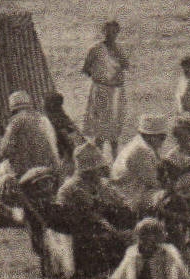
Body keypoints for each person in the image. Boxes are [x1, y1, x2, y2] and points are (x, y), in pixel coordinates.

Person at [53, 143, 135, 279]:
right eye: (95, 170)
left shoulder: (101, 185)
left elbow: (122, 202)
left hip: (103, 226)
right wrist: (116, 232)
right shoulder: (71, 189)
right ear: (86, 171)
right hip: (85, 235)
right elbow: (78, 218)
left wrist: (125, 209)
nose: (98, 173)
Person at [82, 21, 131, 157]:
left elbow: (126, 66)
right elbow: (86, 69)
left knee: (115, 127)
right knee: (100, 130)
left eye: (114, 32)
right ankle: (100, 159)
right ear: (103, 32)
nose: (111, 35)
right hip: (101, 91)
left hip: (116, 91)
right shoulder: (95, 49)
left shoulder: (120, 49)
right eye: (108, 32)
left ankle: (115, 159)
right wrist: (100, 78)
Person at [0, 91, 61, 190]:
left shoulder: (16, 121)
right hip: (53, 170)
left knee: (4, 173)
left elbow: (4, 150)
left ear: (12, 108)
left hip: (29, 172)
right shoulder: (43, 119)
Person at [111, 114, 170, 212]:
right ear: (152, 137)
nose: (163, 142)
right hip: (129, 197)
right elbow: (154, 181)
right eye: (162, 138)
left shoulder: (139, 144)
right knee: (168, 199)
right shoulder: (141, 150)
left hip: (128, 191)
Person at [41, 92, 83, 162]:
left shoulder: (51, 122)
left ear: (49, 106)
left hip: (66, 158)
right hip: (74, 156)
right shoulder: (64, 118)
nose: (42, 106)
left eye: (44, 103)